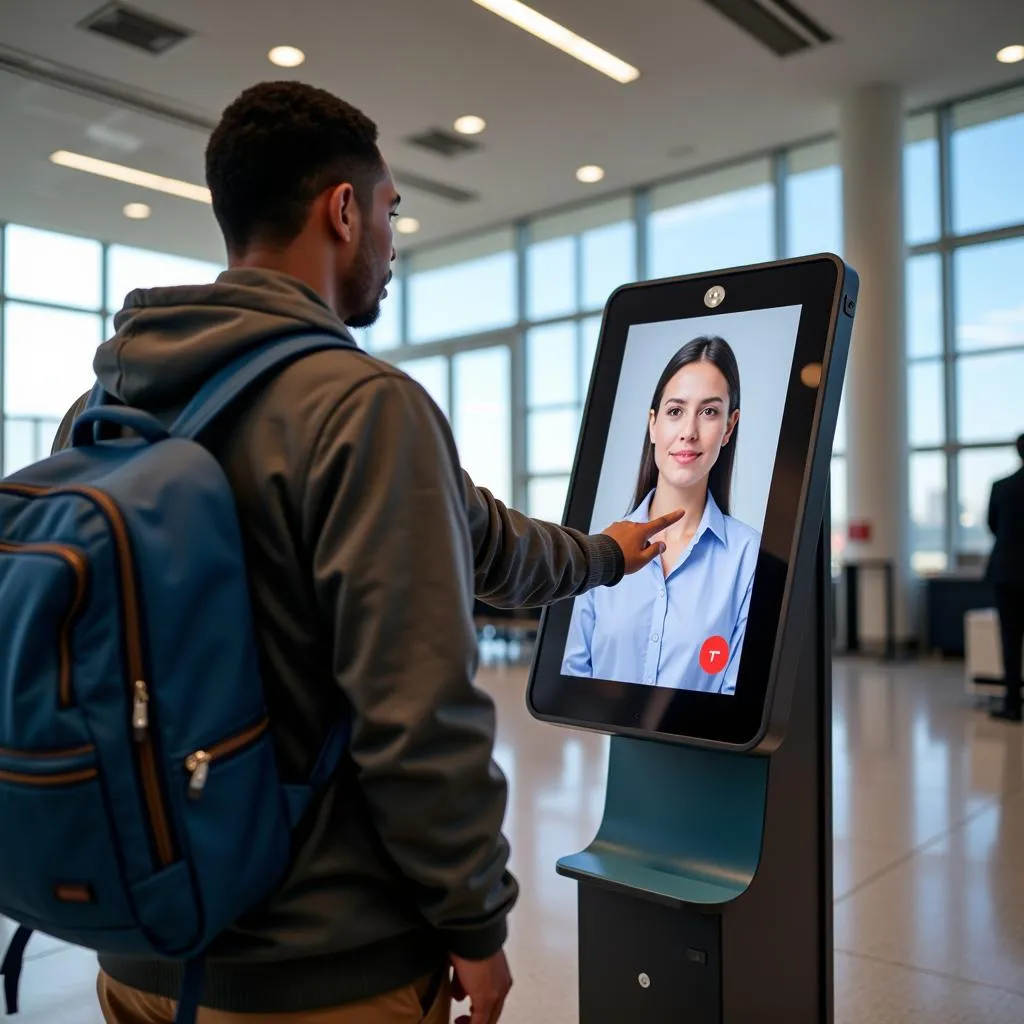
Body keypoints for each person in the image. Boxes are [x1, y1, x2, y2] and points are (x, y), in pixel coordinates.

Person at [50, 82, 681, 1024]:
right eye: (390, 209)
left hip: (139, 949)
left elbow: (486, 542)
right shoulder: (362, 407)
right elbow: (417, 710)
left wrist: (604, 554)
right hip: (321, 973)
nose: (393, 239)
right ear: (342, 211)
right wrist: (476, 921)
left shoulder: (109, 406)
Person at [562, 336, 760, 695]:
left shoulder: (748, 556)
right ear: (653, 424)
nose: (688, 432)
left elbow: (738, 698)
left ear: (729, 427)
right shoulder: (600, 547)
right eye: (675, 411)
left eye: (709, 412)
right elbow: (574, 676)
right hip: (607, 750)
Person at [984, 434, 1024, 723]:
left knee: (1010, 639)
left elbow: (993, 526)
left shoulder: (1002, 487)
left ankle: (1012, 704)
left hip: (1007, 572)